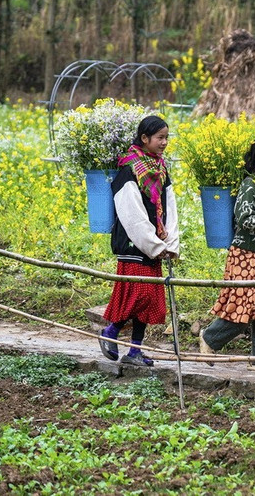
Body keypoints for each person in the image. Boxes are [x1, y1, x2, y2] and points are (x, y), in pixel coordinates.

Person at [198, 134, 255, 373]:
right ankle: (210, 338)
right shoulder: (249, 184)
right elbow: (243, 219)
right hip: (245, 254)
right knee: (245, 304)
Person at [100, 115, 179, 367]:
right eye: (160, 138)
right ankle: (110, 331)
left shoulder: (161, 169)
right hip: (135, 244)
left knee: (149, 301)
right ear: (144, 139)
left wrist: (170, 243)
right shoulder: (129, 170)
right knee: (137, 295)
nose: (164, 142)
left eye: (166, 137)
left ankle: (135, 350)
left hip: (154, 244)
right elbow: (131, 214)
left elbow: (170, 207)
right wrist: (154, 245)